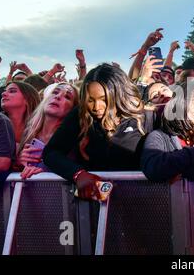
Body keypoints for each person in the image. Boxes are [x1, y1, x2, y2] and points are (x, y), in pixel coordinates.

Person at [43, 63, 150, 200]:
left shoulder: (144, 117)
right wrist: (78, 174)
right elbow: (51, 152)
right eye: (90, 100)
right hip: (96, 205)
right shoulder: (80, 115)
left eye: (104, 99)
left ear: (119, 94)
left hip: (143, 199)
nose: (96, 107)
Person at [17, 83, 79, 179]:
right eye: (55, 92)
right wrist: (18, 163)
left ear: (73, 109)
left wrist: (45, 173)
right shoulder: (29, 134)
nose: (58, 97)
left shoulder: (75, 142)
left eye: (67, 97)